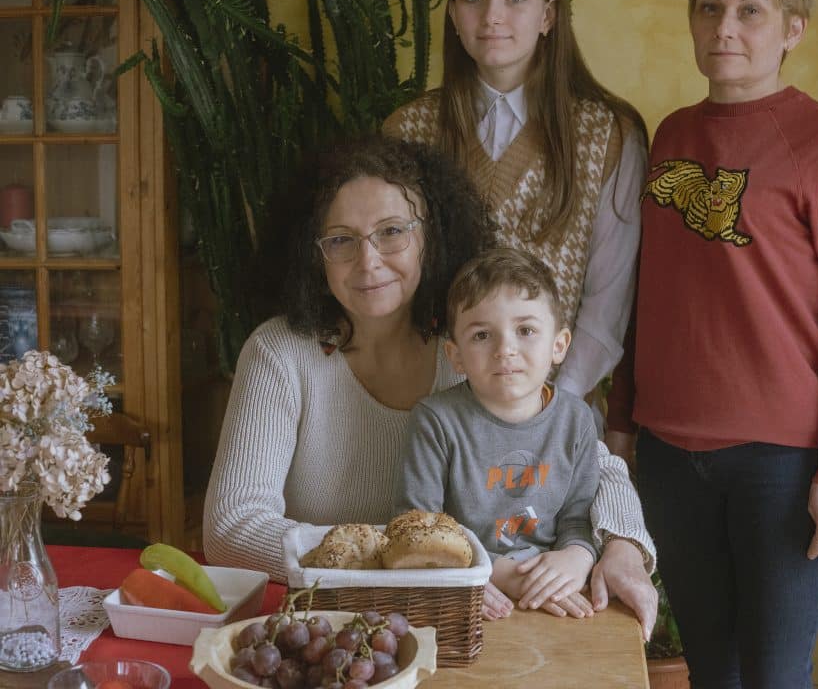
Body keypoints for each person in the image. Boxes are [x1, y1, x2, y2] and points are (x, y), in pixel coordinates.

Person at [203, 135, 656, 637]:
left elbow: (593, 459)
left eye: (391, 232)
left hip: (469, 625)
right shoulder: (279, 354)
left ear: (431, 237)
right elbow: (231, 529)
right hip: (327, 628)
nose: (368, 261)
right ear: (314, 254)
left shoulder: (472, 344)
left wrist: (622, 549)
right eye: (341, 240)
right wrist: (419, 567)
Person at [606, 0, 818, 689]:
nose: (724, 29)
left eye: (750, 11)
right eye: (710, 9)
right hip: (671, 458)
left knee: (772, 674)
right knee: (711, 671)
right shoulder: (671, 134)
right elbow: (650, 290)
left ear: (791, 29)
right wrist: (622, 417)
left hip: (783, 465)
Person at [382, 0, 657, 632]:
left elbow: (608, 298)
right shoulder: (409, 129)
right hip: (444, 406)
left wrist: (536, 407)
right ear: (451, 15)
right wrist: (467, 399)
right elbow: (393, 284)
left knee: (562, 620)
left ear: (549, 14)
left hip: (555, 405)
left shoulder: (607, 133)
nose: (492, 16)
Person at [395, 248, 599, 619]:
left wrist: (577, 557)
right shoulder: (435, 421)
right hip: (468, 595)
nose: (505, 349)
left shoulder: (576, 420)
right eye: (482, 335)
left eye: (525, 330)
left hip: (554, 590)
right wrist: (478, 572)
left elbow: (578, 518)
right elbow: (417, 526)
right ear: (454, 356)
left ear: (559, 345)